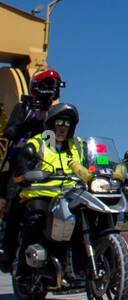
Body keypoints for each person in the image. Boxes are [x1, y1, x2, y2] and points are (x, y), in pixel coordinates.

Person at [5, 103, 90, 276]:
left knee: (89, 214)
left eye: (67, 123)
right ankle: (24, 265)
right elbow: (20, 173)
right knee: (37, 214)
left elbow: (95, 163)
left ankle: (82, 262)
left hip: (70, 195)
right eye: (59, 122)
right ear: (51, 123)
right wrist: (28, 174)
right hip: (41, 194)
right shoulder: (36, 144)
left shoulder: (79, 146)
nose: (62, 127)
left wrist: (114, 168)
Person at [0, 70, 66, 272]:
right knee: (14, 202)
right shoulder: (23, 108)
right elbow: (10, 131)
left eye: (54, 85)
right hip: (23, 166)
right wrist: (32, 120)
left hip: (48, 168)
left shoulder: (55, 113)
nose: (51, 90)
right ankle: (6, 250)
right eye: (47, 84)